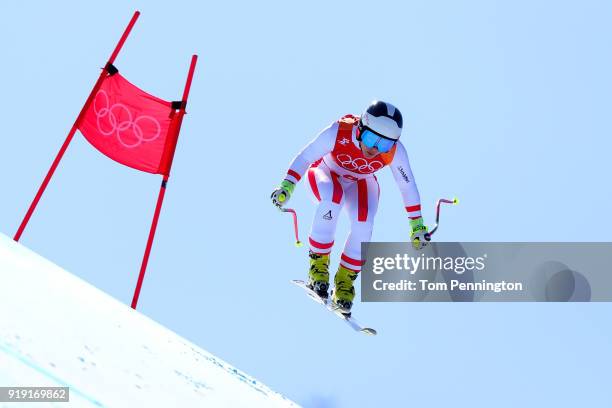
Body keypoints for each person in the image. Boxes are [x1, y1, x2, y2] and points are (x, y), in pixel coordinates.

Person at [271, 101, 429, 314]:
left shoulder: (395, 152)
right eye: (371, 139)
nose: (374, 149)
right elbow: (307, 156)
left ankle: (345, 281)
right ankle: (318, 267)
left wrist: (417, 225)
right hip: (326, 173)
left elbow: (407, 185)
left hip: (361, 181)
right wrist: (287, 185)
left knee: (364, 223)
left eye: (384, 145)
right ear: (360, 128)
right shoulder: (339, 131)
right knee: (332, 201)